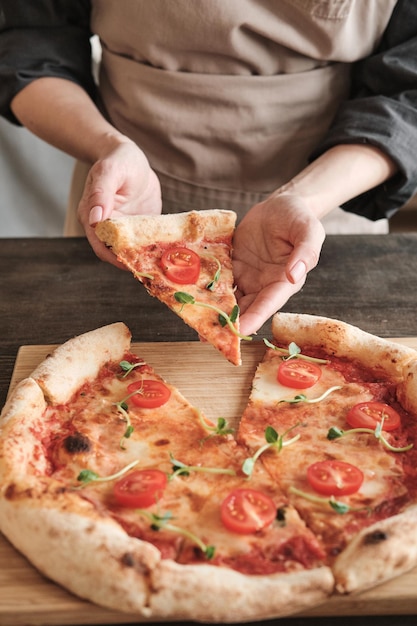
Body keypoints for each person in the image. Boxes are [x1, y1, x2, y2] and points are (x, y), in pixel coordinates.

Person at [1, 1, 417, 337]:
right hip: (124, 206)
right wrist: (108, 146)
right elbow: (32, 47)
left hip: (320, 211)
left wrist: (305, 199)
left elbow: (407, 91)